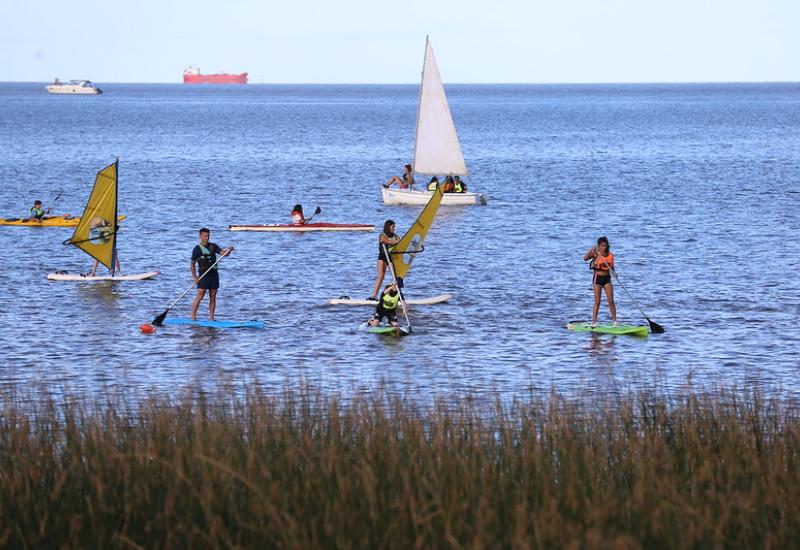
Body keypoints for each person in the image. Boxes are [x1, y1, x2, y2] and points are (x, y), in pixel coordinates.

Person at [190, 228, 234, 321]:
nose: (207, 238)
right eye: (205, 236)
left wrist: (229, 250)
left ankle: (211, 318)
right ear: (200, 236)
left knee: (213, 295)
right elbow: (192, 264)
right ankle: (193, 317)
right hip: (203, 275)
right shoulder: (197, 249)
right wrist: (195, 277)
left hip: (214, 274)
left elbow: (224, 254)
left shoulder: (213, 246)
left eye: (208, 236)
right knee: (200, 294)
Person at [583, 236, 617, 327]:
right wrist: (591, 250)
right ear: (599, 246)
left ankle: (614, 321)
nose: (604, 248)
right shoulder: (595, 254)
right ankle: (594, 321)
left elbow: (611, 268)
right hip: (597, 278)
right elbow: (585, 258)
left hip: (607, 279)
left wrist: (614, 273)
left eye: (605, 246)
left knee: (611, 301)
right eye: (602, 246)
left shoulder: (611, 256)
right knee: (597, 301)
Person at [368, 220, 400, 301]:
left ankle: (397, 296)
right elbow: (388, 241)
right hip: (382, 257)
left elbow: (401, 242)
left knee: (395, 278)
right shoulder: (382, 235)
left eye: (394, 227)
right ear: (388, 227)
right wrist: (396, 242)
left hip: (391, 258)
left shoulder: (396, 236)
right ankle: (374, 296)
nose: (394, 229)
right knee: (381, 276)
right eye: (393, 227)